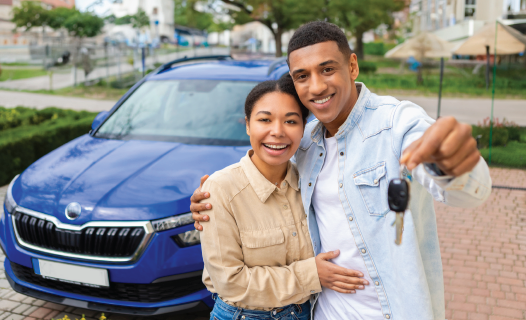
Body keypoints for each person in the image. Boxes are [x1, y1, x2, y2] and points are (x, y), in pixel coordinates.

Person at [192, 21, 492, 320]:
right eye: (302, 76)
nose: (317, 86)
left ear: (352, 66)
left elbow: (463, 190)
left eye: (327, 69)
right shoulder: (304, 144)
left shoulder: (397, 123)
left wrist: (452, 165)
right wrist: (213, 199)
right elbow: (262, 180)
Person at [200, 77, 370, 320]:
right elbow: (231, 283)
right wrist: (312, 275)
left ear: (304, 128)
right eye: (265, 120)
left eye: (290, 121)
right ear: (248, 125)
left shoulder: (312, 181)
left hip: (307, 312)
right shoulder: (220, 190)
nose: (277, 132)